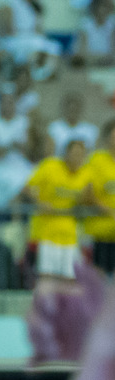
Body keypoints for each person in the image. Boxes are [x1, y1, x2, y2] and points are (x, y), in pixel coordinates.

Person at [23, 139, 91, 285]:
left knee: (70, 279)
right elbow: (27, 188)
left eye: (81, 155)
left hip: (70, 234)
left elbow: (87, 200)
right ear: (66, 154)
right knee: (47, 278)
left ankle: (66, 308)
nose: (77, 158)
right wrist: (40, 202)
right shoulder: (50, 166)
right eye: (75, 153)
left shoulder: (86, 174)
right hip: (47, 232)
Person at [84, 119, 115, 275]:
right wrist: (106, 209)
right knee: (99, 276)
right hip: (101, 231)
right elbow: (88, 192)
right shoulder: (97, 160)